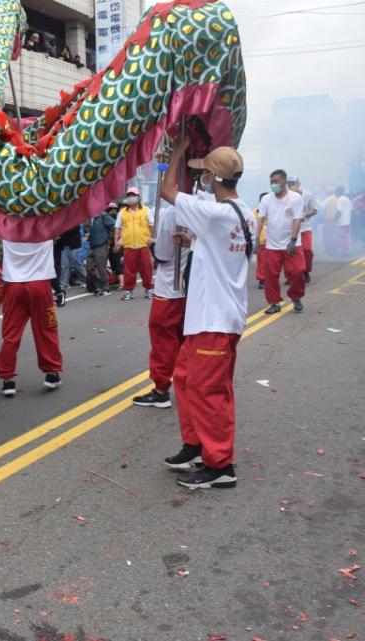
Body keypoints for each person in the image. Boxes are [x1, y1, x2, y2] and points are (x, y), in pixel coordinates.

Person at [160, 140, 252, 489]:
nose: (201, 179)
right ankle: (195, 443)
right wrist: (195, 244)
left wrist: (178, 153)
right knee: (184, 378)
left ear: (214, 177)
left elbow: (169, 190)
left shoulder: (216, 213)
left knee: (209, 390)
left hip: (214, 319)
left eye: (204, 174)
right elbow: (220, 245)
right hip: (210, 319)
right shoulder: (242, 212)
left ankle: (220, 465)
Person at [132, 202, 187, 409]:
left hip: (169, 289)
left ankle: (161, 390)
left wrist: (154, 245)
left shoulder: (173, 212)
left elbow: (163, 255)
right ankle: (187, 383)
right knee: (185, 340)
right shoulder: (204, 206)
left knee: (164, 342)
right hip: (190, 287)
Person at [0, 239, 63, 397]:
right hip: (39, 283)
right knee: (46, 329)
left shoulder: (5, 225)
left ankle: (8, 379)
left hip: (13, 285)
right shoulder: (44, 225)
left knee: (11, 334)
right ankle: (52, 373)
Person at [257, 169, 305, 314]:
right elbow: (260, 219)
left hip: (291, 243)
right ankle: (274, 302)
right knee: (270, 276)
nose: (273, 184)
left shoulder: (295, 198)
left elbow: (297, 219)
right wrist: (256, 238)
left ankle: (296, 297)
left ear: (284, 181)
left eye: (276, 181)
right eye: (271, 182)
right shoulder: (266, 199)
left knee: (297, 272)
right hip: (272, 244)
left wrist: (293, 240)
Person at [115, 186, 154, 300]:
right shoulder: (122, 212)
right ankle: (128, 291)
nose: (131, 198)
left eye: (133, 195)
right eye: (129, 196)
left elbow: (152, 225)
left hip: (143, 245)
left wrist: (150, 239)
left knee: (146, 268)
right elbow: (117, 228)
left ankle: (149, 289)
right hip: (129, 246)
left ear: (138, 197)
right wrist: (116, 242)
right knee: (129, 270)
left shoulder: (146, 210)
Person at [288, 178, 317, 283]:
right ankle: (292, 275)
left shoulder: (308, 195)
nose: (291, 186)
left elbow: (314, 209)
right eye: (289, 184)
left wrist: (305, 215)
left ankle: (306, 272)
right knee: (290, 253)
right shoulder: (285, 196)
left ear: (298, 184)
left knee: (307, 250)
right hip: (290, 228)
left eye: (293, 184)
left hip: (305, 227)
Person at [86, 203, 116, 296]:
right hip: (92, 245)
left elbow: (114, 226)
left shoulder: (103, 215)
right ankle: (100, 286)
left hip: (101, 245)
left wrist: (110, 239)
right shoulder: (89, 218)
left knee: (101, 267)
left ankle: (106, 288)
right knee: (89, 267)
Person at [252, 193, 268, 289]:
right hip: (261, 242)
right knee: (262, 262)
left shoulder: (274, 211)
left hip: (273, 242)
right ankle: (262, 280)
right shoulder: (254, 213)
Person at [335, 186, 353, 256]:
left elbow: (339, 211)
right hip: (347, 221)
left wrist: (334, 219)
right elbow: (351, 211)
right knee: (345, 236)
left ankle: (345, 251)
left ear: (338, 191)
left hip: (341, 222)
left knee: (340, 236)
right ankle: (345, 250)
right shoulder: (347, 199)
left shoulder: (339, 199)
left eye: (336, 191)